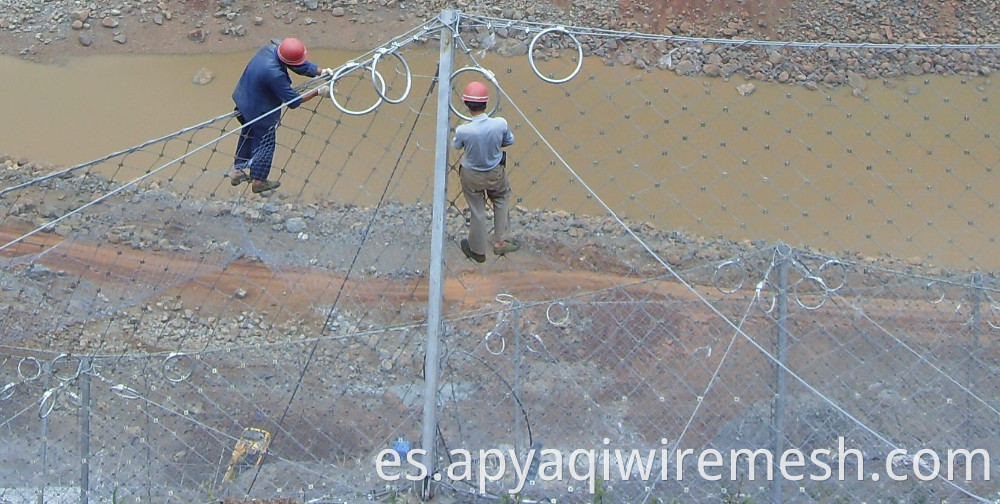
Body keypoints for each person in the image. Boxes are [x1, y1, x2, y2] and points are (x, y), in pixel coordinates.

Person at [229, 38, 333, 194]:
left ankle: (238, 170)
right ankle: (259, 181)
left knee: (248, 134)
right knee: (265, 144)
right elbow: (294, 102)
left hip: (243, 101)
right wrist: (318, 92)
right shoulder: (274, 74)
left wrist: (320, 71)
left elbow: (295, 63)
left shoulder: (270, 48)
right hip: (260, 111)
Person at [452, 81, 518, 263]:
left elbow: (456, 146)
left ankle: (477, 250)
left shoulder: (464, 130)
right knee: (501, 198)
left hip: (471, 174)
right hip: (495, 172)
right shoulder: (500, 124)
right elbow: (509, 141)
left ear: (466, 104)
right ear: (487, 103)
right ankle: (500, 241)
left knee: (477, 211)